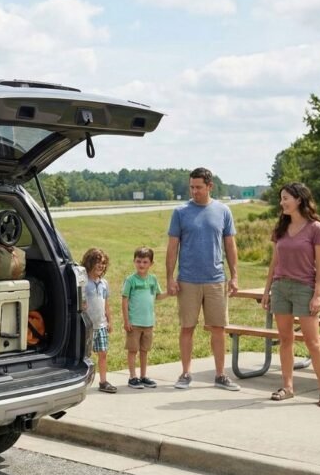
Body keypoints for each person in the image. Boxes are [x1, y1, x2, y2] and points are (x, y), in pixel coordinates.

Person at [166, 167, 241, 391]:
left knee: (218, 328)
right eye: (192, 187)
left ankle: (220, 375)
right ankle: (186, 373)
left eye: (199, 187)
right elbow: (172, 248)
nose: (194, 191)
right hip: (187, 279)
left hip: (216, 280)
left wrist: (234, 275)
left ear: (210, 186)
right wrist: (170, 277)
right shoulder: (180, 212)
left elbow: (230, 245)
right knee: (187, 327)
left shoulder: (223, 211)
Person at [260, 182, 320, 407]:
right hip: (281, 288)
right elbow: (274, 262)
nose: (282, 203)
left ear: (299, 200)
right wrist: (267, 290)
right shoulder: (280, 228)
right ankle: (288, 387)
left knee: (313, 342)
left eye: (285, 198)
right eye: (281, 199)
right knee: (285, 340)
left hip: (305, 289)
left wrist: (317, 294)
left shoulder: (315, 228)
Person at [122, 247, 167, 388]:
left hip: (148, 323)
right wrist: (126, 321)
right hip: (134, 323)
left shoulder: (153, 279)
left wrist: (171, 292)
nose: (141, 264)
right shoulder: (130, 280)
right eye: (138, 261)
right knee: (133, 350)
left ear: (151, 264)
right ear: (134, 262)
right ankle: (132, 377)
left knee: (144, 351)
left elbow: (158, 296)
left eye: (145, 262)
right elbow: (124, 301)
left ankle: (143, 376)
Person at [83, 248, 115, 393]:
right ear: (89, 263)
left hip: (101, 324)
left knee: (103, 353)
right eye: (97, 262)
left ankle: (103, 381)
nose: (101, 266)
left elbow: (106, 304)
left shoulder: (104, 283)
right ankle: (82, 381)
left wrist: (109, 321)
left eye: (103, 263)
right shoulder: (85, 283)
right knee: (85, 355)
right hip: (88, 326)